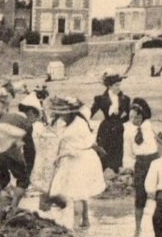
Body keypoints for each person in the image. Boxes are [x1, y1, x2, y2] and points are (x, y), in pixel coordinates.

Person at [48, 96, 106, 228]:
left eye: (62, 113)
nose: (59, 116)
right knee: (80, 191)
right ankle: (85, 220)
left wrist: (60, 156)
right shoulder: (67, 122)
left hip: (83, 159)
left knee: (77, 193)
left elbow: (81, 147)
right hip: (74, 159)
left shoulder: (78, 124)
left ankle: (75, 226)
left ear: (70, 112)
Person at [122, 98, 158, 237]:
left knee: (157, 193)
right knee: (140, 196)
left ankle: (158, 226)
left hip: (154, 161)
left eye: (136, 117)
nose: (134, 120)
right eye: (131, 117)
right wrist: (129, 167)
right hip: (140, 163)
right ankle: (137, 228)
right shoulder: (129, 132)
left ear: (142, 116)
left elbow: (161, 145)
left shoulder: (151, 127)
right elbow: (128, 152)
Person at [90, 73, 131, 173]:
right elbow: (90, 113)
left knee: (117, 151)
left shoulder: (125, 99)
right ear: (109, 86)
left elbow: (129, 115)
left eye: (119, 85)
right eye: (116, 85)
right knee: (104, 151)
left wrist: (120, 121)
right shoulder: (100, 99)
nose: (119, 87)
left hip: (118, 128)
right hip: (105, 128)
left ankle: (116, 172)